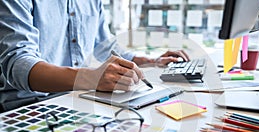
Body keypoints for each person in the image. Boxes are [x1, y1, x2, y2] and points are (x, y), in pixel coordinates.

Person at [0, 0, 189, 111]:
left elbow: (105, 46)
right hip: (28, 108)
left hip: (77, 100)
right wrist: (90, 78)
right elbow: (17, 64)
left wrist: (151, 61)